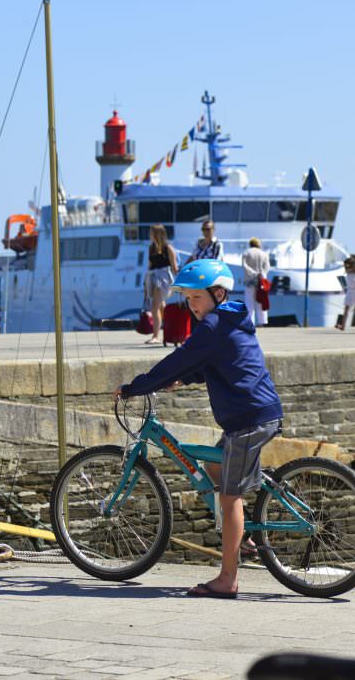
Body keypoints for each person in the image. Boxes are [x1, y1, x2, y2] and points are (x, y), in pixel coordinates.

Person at [114, 259, 283, 599]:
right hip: (254, 414)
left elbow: (180, 358)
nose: (191, 305)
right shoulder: (230, 319)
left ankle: (227, 580)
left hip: (248, 420)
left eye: (197, 298)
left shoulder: (213, 326)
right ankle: (244, 537)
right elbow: (214, 363)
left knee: (230, 496)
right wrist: (183, 378)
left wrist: (138, 386)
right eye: (188, 299)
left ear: (218, 293)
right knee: (214, 465)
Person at [144, 224, 179, 345]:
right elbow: (149, 266)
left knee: (154, 307)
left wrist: (180, 284)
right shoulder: (151, 248)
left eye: (151, 233)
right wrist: (145, 282)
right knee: (161, 307)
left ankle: (155, 336)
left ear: (157, 234)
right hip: (153, 278)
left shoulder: (168, 248)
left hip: (164, 280)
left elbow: (174, 268)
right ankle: (170, 330)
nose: (150, 235)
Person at [241, 237, 270, 327]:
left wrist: (253, 273)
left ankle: (250, 322)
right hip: (261, 281)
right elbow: (267, 267)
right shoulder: (263, 254)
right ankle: (262, 322)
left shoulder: (246, 252)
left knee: (249, 302)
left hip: (250, 281)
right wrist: (262, 274)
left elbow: (244, 265)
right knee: (261, 301)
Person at [336, 256, 355, 331]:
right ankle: (343, 326)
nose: (346, 266)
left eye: (348, 265)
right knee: (346, 309)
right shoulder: (348, 271)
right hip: (350, 291)